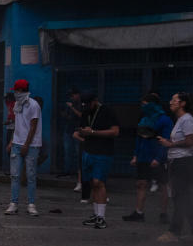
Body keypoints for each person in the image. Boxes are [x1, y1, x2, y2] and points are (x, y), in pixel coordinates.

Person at [157, 92, 193, 242]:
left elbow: (190, 141)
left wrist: (171, 144)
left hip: (184, 163)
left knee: (180, 198)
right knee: (185, 198)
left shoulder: (187, 120)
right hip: (179, 162)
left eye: (174, 100)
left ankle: (174, 232)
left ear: (182, 103)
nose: (171, 102)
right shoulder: (181, 120)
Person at [123, 92, 172, 223]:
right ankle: (139, 213)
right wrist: (135, 155)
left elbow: (166, 140)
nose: (142, 107)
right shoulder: (144, 119)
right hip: (143, 157)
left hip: (157, 157)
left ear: (152, 105)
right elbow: (139, 139)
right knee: (141, 183)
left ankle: (164, 213)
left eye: (145, 104)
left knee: (163, 184)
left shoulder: (164, 120)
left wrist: (159, 158)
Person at [76, 91, 119, 229]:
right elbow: (80, 130)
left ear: (95, 101)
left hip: (103, 152)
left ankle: (102, 217)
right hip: (88, 151)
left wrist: (93, 132)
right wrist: (83, 132)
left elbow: (115, 132)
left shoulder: (107, 111)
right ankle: (96, 214)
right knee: (91, 183)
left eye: (88, 104)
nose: (86, 107)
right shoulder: (85, 112)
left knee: (98, 182)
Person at [4, 79, 42, 216]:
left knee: (31, 176)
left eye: (16, 90)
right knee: (15, 175)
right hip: (17, 144)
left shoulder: (34, 105)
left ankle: (31, 204)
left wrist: (26, 144)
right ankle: (13, 203)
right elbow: (18, 125)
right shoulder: (17, 105)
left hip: (31, 145)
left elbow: (33, 126)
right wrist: (11, 142)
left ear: (21, 91)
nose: (14, 93)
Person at [59, 88, 83, 179]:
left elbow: (81, 115)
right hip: (69, 129)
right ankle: (67, 171)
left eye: (72, 95)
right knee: (67, 152)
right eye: (70, 96)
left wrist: (72, 107)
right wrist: (65, 114)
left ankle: (79, 173)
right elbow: (69, 117)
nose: (71, 97)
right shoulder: (69, 104)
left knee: (78, 153)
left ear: (78, 94)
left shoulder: (82, 104)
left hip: (78, 131)